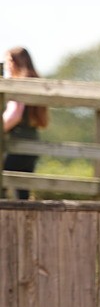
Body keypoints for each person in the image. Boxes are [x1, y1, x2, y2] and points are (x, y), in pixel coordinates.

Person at [3, 47, 49, 200]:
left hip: (17, 144)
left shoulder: (19, 83)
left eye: (8, 60)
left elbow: (14, 115)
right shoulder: (34, 81)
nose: (7, 65)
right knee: (23, 193)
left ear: (15, 62)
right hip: (32, 143)